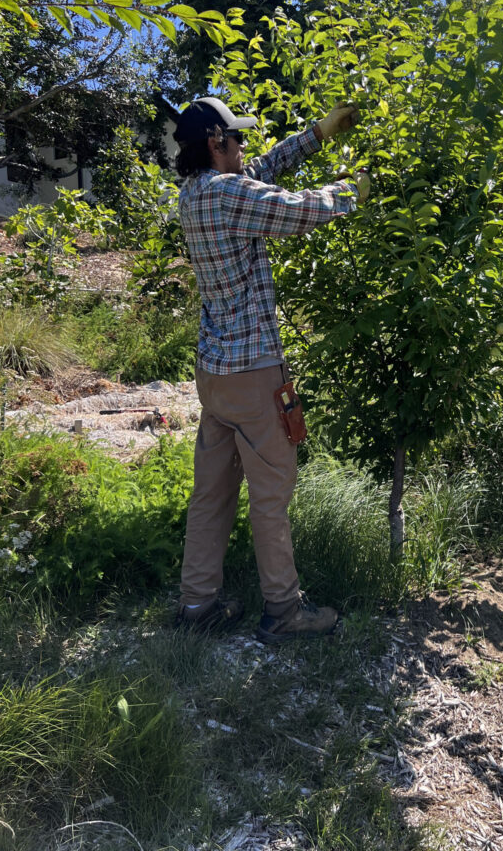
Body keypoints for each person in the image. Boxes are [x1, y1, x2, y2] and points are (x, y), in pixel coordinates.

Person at [172, 96, 369, 642]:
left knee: (211, 494)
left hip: (216, 374)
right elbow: (299, 210)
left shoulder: (194, 192)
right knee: (271, 493)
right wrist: (352, 190)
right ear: (217, 143)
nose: (245, 147)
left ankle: (197, 605)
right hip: (255, 375)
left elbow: (259, 170)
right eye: (236, 138)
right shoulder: (230, 194)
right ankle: (283, 610)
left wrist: (317, 135)